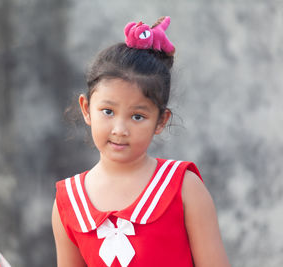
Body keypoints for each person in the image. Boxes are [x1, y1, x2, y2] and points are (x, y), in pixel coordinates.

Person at [52, 17, 230, 267]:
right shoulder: (69, 202)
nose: (120, 129)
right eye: (108, 111)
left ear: (160, 121)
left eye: (138, 116)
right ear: (86, 109)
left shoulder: (184, 188)